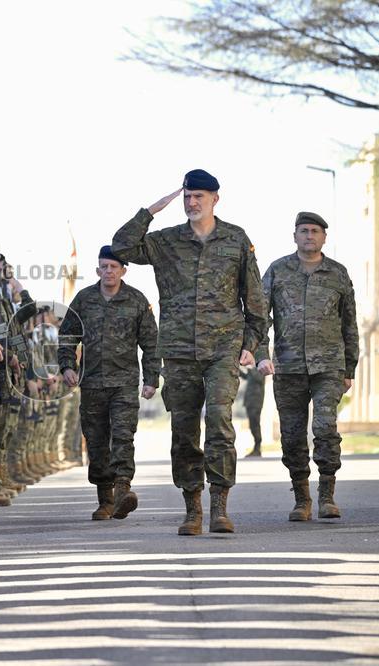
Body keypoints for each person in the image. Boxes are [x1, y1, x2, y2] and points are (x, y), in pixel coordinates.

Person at [111, 169, 266, 535]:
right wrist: (151, 210)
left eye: (199, 196)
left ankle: (220, 506)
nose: (192, 202)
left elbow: (255, 298)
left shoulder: (236, 239)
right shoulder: (166, 241)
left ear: (215, 199)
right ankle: (192, 507)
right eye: (187, 197)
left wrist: (253, 345)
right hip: (179, 351)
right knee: (183, 431)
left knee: (219, 421)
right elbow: (121, 247)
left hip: (223, 349)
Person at [255, 211, 358, 521]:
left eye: (314, 231)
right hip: (288, 366)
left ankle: (327, 496)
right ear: (295, 236)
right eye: (303, 230)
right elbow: (259, 317)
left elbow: (349, 323)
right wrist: (261, 353)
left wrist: (349, 368)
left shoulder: (337, 273)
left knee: (325, 428)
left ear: (324, 237)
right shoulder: (278, 270)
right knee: (292, 435)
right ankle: (302, 499)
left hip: (328, 366)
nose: (309, 235)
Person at [58, 245, 159, 520]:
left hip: (124, 383)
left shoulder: (136, 300)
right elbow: (67, 336)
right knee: (97, 441)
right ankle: (105, 499)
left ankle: (123, 489)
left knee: (123, 436)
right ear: (97, 270)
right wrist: (67, 366)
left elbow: (151, 343)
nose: (108, 271)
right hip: (91, 383)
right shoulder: (84, 299)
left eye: (113, 267)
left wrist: (151, 379)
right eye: (104, 267)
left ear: (123, 271)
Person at [241, 366, 266, 457]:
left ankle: (257, 448)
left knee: (255, 425)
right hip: (249, 401)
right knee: (252, 425)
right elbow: (246, 377)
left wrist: (250, 368)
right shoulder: (253, 370)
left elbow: (259, 379)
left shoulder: (260, 367)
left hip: (256, 401)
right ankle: (256, 448)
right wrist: (238, 370)